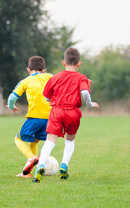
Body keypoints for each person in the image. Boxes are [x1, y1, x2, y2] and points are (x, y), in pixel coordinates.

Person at [32, 47, 99, 183]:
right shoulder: (82, 78)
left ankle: (40, 167)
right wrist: (90, 104)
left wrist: (55, 100)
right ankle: (64, 165)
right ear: (79, 64)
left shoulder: (55, 77)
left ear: (64, 62)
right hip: (73, 112)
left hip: (56, 111)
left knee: (50, 141)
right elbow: (85, 93)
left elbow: (46, 98)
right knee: (70, 140)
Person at [7, 56, 52, 178]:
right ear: (44, 69)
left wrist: (11, 106)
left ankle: (32, 158)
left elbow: (12, 97)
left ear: (28, 69)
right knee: (34, 142)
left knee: (18, 139)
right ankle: (28, 172)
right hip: (49, 119)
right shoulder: (49, 77)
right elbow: (62, 81)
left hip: (34, 118)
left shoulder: (25, 81)